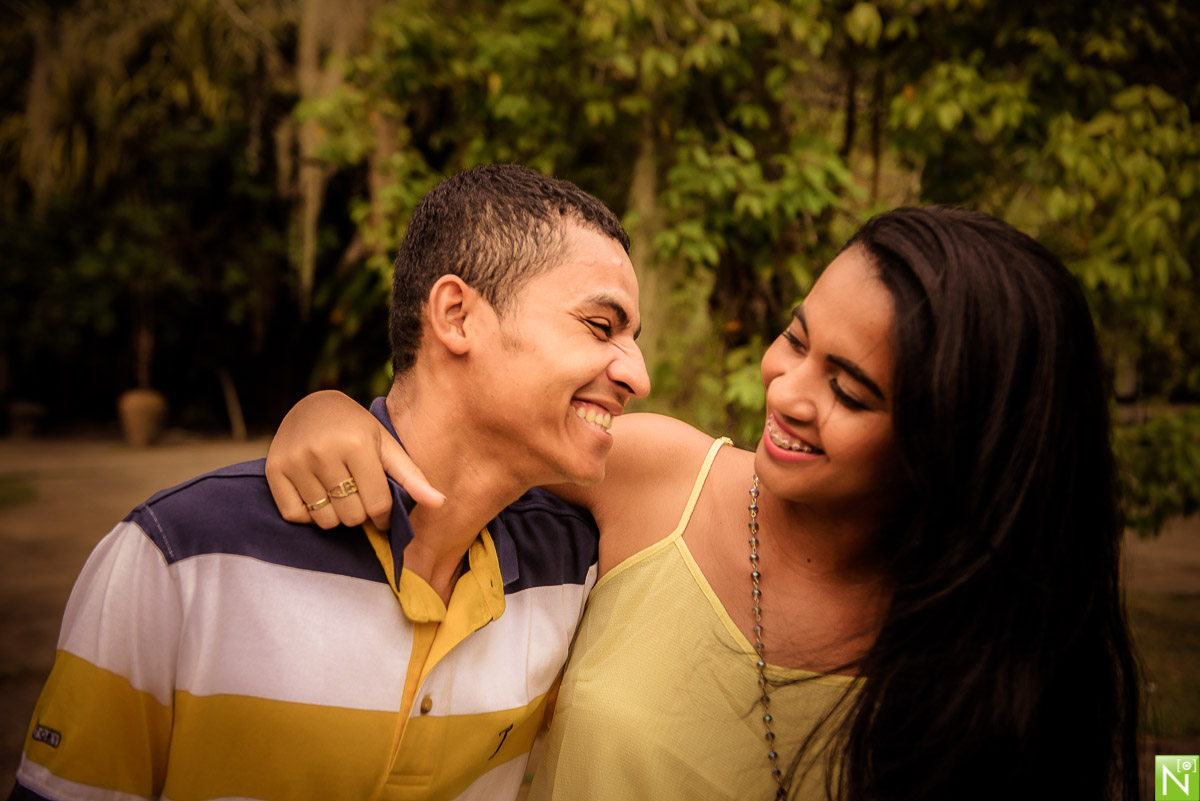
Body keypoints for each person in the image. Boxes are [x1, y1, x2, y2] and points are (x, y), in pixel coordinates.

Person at [265, 206, 1142, 800]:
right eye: (795, 338)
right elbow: (461, 432)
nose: (787, 391)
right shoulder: (657, 478)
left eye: (849, 389)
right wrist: (330, 411)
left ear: (956, 444)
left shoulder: (999, 657)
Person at [9, 164, 650, 801]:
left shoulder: (571, 573)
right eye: (601, 326)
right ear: (457, 316)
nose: (638, 377)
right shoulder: (184, 554)